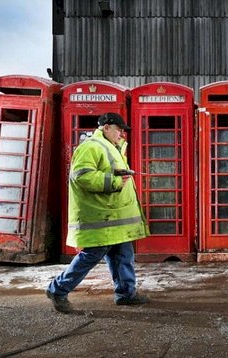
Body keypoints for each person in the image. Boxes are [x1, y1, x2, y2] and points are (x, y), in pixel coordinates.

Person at [46, 112, 150, 313]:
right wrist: (114, 181)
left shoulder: (113, 147)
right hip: (101, 217)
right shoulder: (91, 146)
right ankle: (58, 289)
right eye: (119, 129)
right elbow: (82, 176)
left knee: (123, 255)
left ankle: (126, 293)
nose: (121, 134)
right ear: (106, 127)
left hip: (116, 218)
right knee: (90, 256)